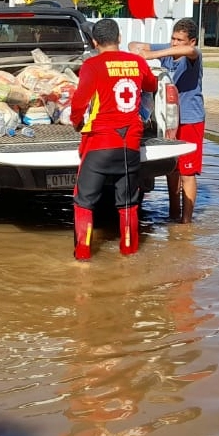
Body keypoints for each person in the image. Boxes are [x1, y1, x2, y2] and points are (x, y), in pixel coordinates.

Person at [70, 18, 158, 261]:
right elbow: (152, 84)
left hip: (100, 143)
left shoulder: (92, 65)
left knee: (84, 202)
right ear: (119, 39)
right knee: (128, 204)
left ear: (94, 42)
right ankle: (129, 255)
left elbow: (79, 102)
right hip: (130, 143)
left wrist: (76, 123)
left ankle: (83, 258)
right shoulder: (137, 62)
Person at [128, 17, 205, 224]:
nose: (174, 43)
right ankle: (173, 213)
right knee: (172, 168)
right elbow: (133, 45)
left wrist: (152, 55)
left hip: (190, 119)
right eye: (172, 38)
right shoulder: (170, 49)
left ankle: (186, 221)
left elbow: (190, 52)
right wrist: (139, 52)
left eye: (179, 40)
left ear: (192, 41)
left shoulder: (194, 56)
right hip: (170, 120)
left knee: (188, 172)